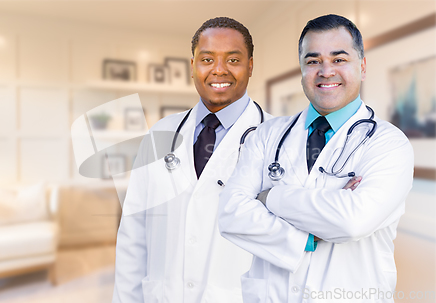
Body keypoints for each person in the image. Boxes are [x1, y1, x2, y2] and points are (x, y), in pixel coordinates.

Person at [218, 14, 413, 303]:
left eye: (339, 59)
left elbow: (352, 221)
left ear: (362, 66)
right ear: (302, 70)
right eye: (313, 61)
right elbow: (230, 213)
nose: (325, 71)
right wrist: (306, 238)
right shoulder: (267, 134)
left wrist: (270, 198)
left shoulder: (389, 143)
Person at [112, 17, 271, 302]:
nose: (219, 70)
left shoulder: (279, 140)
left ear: (250, 66)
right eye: (207, 59)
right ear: (192, 67)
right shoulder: (160, 133)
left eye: (233, 59)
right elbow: (133, 235)